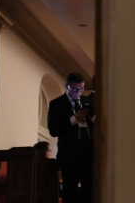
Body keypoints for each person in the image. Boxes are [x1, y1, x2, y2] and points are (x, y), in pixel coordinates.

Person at [48, 72, 94, 203]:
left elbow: (103, 127)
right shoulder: (56, 104)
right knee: (70, 190)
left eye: (81, 89)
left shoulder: (89, 101)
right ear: (66, 86)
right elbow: (53, 130)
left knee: (90, 190)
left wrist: (93, 118)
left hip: (90, 152)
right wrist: (74, 119)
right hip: (69, 154)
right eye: (74, 89)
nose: (77, 92)